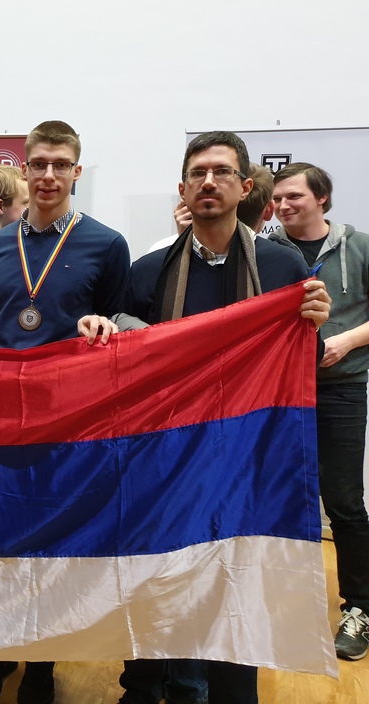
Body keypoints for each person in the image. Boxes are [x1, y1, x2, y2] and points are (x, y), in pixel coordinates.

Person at [114, 132, 331, 704]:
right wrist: (104, 331)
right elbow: (124, 366)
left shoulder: (281, 265)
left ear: (245, 186)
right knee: (161, 576)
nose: (208, 182)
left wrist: (312, 325)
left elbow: (302, 362)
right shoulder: (150, 270)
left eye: (221, 172)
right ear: (183, 188)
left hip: (247, 457)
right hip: (167, 456)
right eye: (198, 173)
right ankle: (149, 686)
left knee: (238, 583)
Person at [0, 120, 130, 704]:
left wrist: (108, 325)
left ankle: (41, 662)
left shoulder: (106, 244)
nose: (48, 175)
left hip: (68, 421)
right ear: (24, 169)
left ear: (76, 172)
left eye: (60, 164)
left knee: (53, 542)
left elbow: (120, 321)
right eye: (38, 163)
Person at [268, 162, 369, 661]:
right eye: (277, 199)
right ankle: (282, 602)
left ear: (322, 198)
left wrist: (346, 341)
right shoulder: (266, 251)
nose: (283, 206)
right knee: (279, 497)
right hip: (277, 394)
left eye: (294, 197)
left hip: (342, 389)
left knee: (345, 501)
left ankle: (360, 608)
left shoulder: (360, 246)